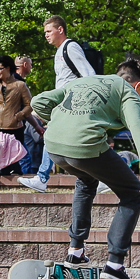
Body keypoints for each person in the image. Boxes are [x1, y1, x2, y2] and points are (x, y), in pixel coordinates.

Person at [31, 56, 140, 279]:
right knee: (132, 193)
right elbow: (137, 129)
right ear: (138, 86)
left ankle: (75, 252)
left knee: (86, 180)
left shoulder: (83, 81)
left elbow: (38, 101)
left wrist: (61, 122)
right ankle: (114, 265)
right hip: (85, 145)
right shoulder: (129, 92)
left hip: (54, 146)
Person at [20, 16, 96, 192]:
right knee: (62, 138)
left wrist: (81, 101)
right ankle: (42, 177)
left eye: (48, 31)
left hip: (73, 104)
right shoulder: (60, 50)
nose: (46, 35)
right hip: (64, 104)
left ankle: (42, 178)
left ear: (60, 30)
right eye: (45, 32)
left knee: (57, 136)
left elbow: (89, 74)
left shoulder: (71, 47)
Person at [0, 55, 32, 175]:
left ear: (8, 68)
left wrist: (19, 116)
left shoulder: (20, 85)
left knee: (13, 163)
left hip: (14, 129)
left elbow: (30, 105)